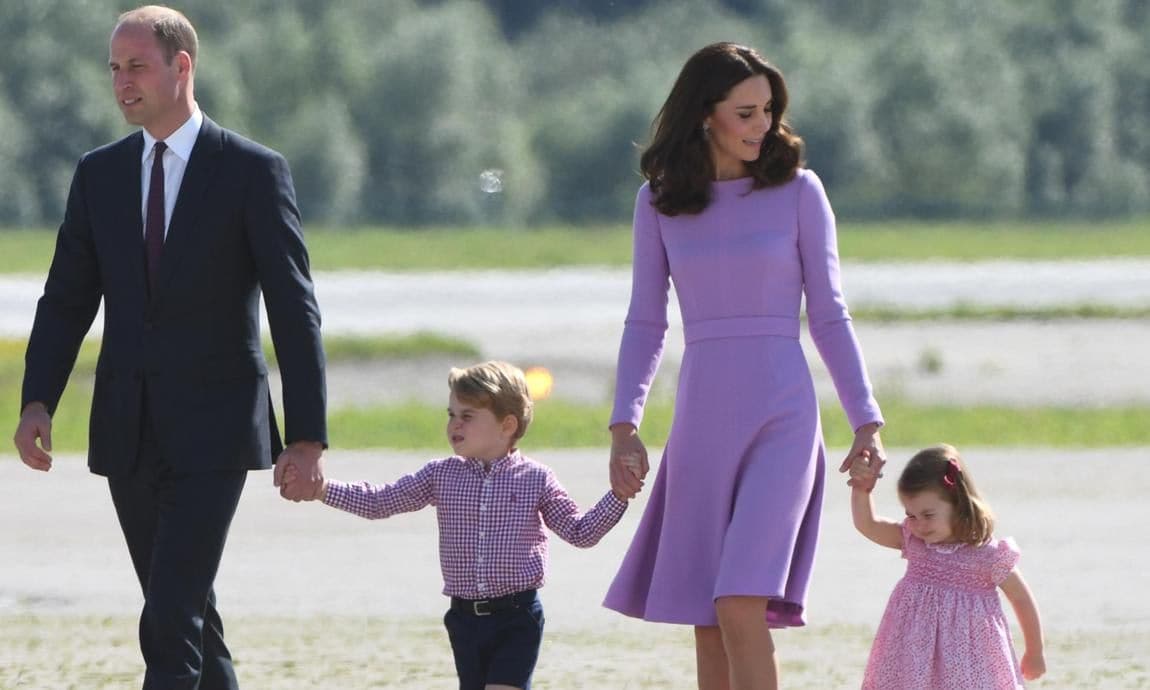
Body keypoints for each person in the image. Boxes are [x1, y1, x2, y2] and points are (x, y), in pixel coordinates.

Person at [12, 6, 327, 689]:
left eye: (137, 67)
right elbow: (67, 298)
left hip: (217, 430)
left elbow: (294, 306)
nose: (122, 83)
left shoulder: (251, 171)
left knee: (169, 615)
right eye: (115, 69)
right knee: (185, 614)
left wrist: (307, 437)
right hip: (128, 429)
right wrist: (37, 398)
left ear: (182, 67)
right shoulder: (99, 174)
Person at [602, 42, 886, 690]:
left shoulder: (799, 192)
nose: (763, 126)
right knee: (709, 620)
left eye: (768, 111)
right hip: (701, 418)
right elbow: (646, 320)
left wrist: (866, 420)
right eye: (746, 112)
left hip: (783, 414)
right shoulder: (658, 202)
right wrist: (625, 423)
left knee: (739, 601)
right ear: (706, 114)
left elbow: (830, 315)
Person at [284, 361, 629, 690]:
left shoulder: (536, 479)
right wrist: (322, 489)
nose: (454, 426)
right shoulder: (441, 474)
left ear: (507, 426)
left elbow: (580, 532)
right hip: (464, 619)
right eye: (451, 415)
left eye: (467, 417)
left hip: (517, 615)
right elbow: (380, 501)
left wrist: (618, 495)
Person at [847, 444, 1046, 688]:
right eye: (911, 515)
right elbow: (868, 524)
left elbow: (1021, 598)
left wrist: (1035, 651)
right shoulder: (913, 540)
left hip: (969, 661)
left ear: (958, 503)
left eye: (928, 515)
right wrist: (862, 489)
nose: (918, 524)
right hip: (912, 657)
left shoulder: (986, 554)